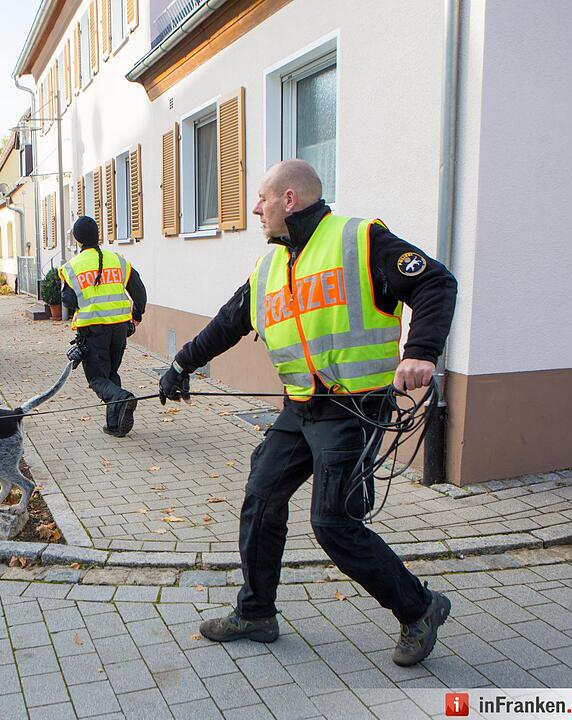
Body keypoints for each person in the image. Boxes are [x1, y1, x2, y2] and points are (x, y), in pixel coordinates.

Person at [159, 160, 458, 666]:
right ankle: (256, 613)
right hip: (300, 409)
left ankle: (420, 607)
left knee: (334, 523)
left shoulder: (359, 241)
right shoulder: (271, 265)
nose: (256, 208)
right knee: (261, 496)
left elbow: (435, 283)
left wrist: (422, 351)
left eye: (263, 199)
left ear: (290, 199)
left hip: (354, 409)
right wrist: (182, 362)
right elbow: (229, 321)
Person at [59, 216, 147, 437]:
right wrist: (137, 315)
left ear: (78, 239)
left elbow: (68, 300)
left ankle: (123, 398)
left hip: (92, 330)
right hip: (119, 328)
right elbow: (139, 290)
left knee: (97, 379)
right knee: (111, 373)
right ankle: (115, 425)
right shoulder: (117, 260)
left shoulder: (72, 267)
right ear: (97, 234)